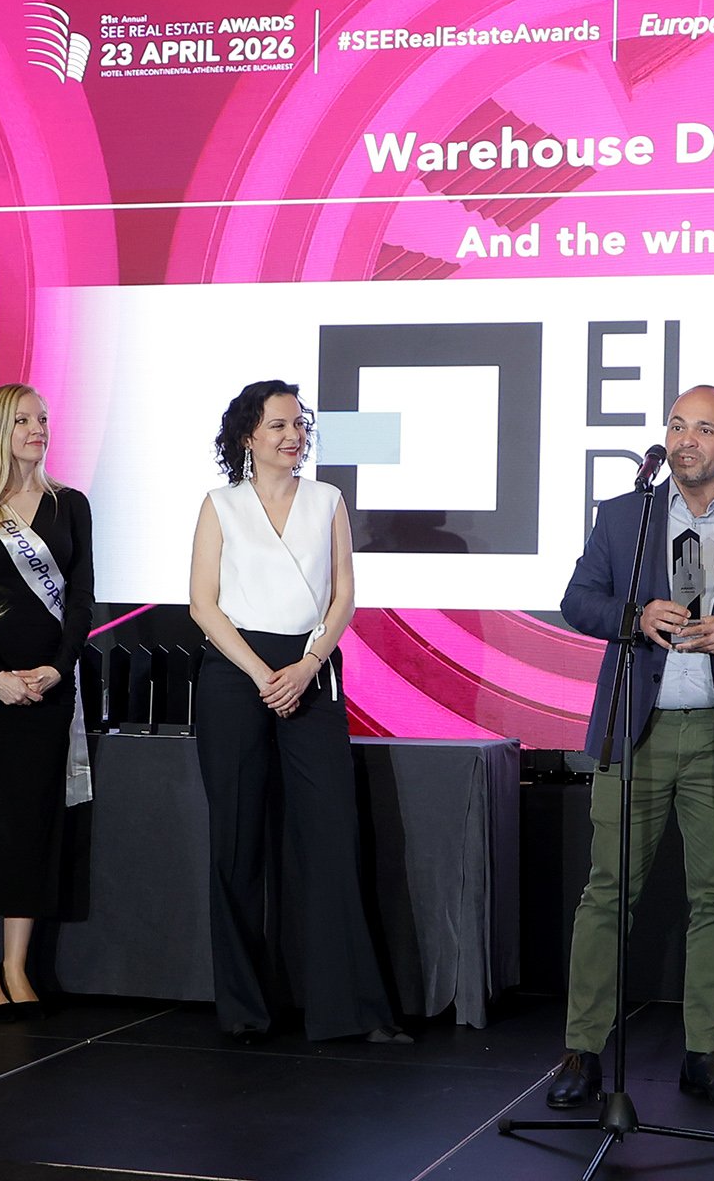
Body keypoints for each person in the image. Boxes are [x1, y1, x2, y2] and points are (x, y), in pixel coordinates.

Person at [546, 385, 714, 1113]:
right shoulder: (624, 516)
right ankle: (582, 1051)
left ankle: (705, 1055)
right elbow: (577, 600)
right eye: (676, 426)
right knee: (608, 891)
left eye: (703, 429)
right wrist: (635, 616)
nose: (686, 440)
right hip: (637, 729)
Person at [186, 380, 407, 1044]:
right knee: (236, 842)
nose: (293, 436)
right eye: (278, 426)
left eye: (298, 425)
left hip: (310, 671)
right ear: (247, 436)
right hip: (236, 674)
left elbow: (345, 596)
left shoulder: (327, 500)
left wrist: (308, 665)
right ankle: (244, 1009)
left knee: (332, 836)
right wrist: (262, 676)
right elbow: (203, 605)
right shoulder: (220, 504)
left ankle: (352, 1011)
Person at [0, 383, 94, 1018]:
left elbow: (80, 599)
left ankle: (16, 964)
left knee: (33, 824)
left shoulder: (70, 505)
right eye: (25, 419)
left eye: (44, 419)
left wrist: (57, 669)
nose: (39, 429)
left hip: (48, 690)